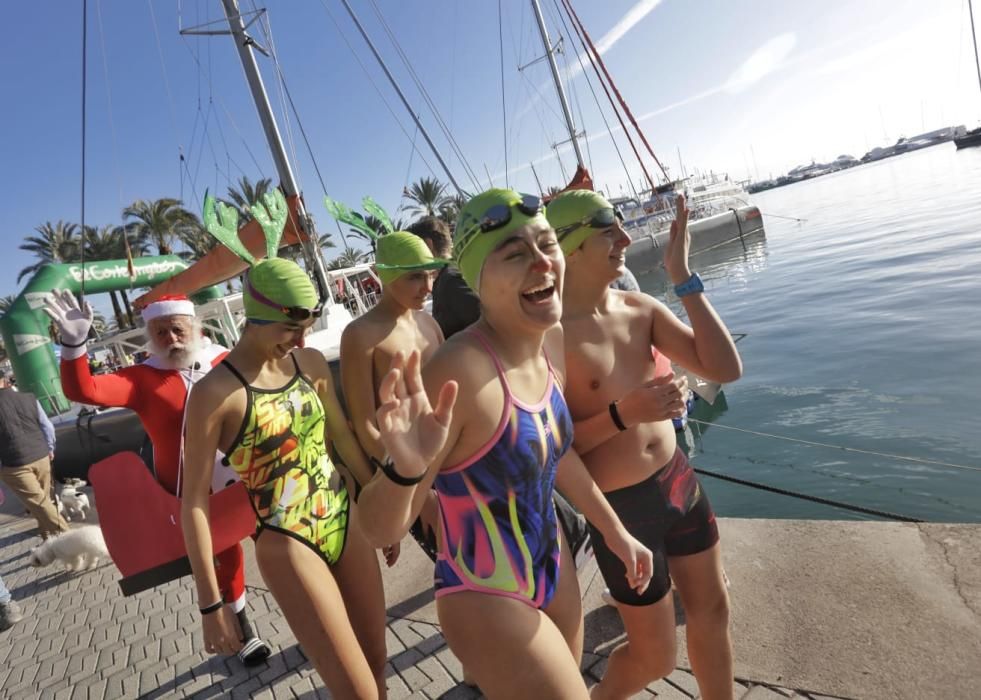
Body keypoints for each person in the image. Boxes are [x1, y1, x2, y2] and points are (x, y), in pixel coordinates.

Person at [358, 189, 654, 698]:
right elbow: (380, 528)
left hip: (552, 560)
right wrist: (403, 469)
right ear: (477, 278)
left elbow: (556, 453)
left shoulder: (550, 339)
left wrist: (615, 531)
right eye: (515, 254)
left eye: (547, 244)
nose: (541, 261)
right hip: (483, 590)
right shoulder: (458, 370)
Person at [547, 190, 742, 700]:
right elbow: (555, 451)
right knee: (656, 658)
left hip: (678, 480)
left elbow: (725, 368)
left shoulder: (640, 308)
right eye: (608, 231)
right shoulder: (550, 338)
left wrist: (683, 277)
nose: (626, 238)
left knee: (713, 610)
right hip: (622, 507)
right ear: (570, 248)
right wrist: (624, 414)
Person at [182, 256, 387, 696]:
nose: (301, 338)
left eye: (307, 326)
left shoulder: (309, 363)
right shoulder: (214, 394)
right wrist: (211, 604)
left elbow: (343, 439)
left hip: (344, 519)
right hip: (288, 542)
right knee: (358, 693)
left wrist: (378, 506)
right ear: (254, 319)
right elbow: (194, 502)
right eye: (290, 328)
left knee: (377, 665)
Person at [44, 291, 270, 666]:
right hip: (194, 490)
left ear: (194, 325)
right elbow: (84, 390)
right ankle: (244, 629)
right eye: (160, 332)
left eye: (177, 328)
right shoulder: (142, 378)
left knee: (278, 541)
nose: (171, 338)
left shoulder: (223, 359)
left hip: (249, 473)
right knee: (224, 557)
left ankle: (305, 605)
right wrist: (73, 346)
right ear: (149, 335)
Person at [340, 228, 447, 563]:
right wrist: (408, 489)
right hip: (411, 472)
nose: (427, 287)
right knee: (459, 568)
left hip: (458, 462)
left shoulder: (428, 323)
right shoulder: (360, 335)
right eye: (415, 276)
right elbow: (365, 427)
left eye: (430, 275)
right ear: (385, 275)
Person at [0, 370, 69, 539]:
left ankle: (70, 539)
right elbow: (48, 427)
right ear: (5, 380)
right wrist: (50, 448)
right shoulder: (29, 398)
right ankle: (48, 538)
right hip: (41, 455)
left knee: (40, 504)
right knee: (43, 502)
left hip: (14, 464)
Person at [407, 216, 481, 339]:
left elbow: (493, 323)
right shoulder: (455, 273)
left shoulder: (451, 282)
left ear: (428, 245)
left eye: (412, 249)